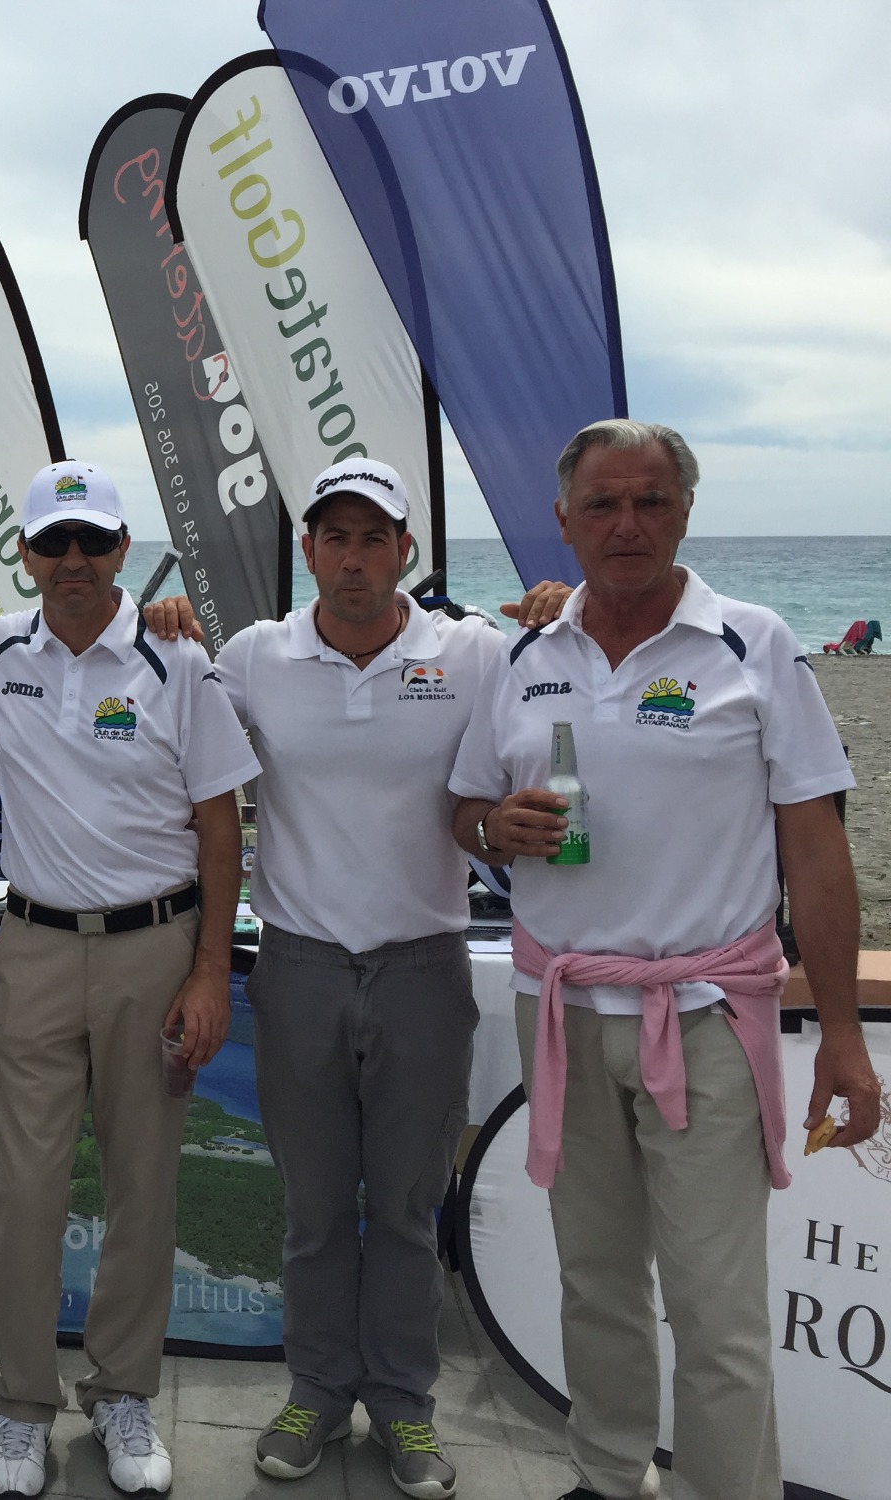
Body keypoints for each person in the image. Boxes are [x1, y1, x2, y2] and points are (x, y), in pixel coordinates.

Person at [448, 419, 883, 1500]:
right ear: (564, 522)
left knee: (715, 1308)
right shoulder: (525, 657)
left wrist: (840, 1035)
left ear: (685, 513)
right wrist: (492, 827)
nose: (627, 524)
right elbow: (462, 808)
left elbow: (817, 854)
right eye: (602, 504)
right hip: (560, 1007)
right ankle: (607, 1476)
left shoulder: (752, 644)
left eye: (650, 501)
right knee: (594, 1281)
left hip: (704, 1016)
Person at [214, 458, 567, 1496]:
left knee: (411, 1210)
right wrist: (165, 623)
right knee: (315, 1211)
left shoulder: (475, 652)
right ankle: (318, 1391)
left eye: (375, 538)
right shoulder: (254, 656)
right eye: (336, 537)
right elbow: (162, 727)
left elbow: (556, 717)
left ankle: (404, 1405)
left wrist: (570, 612)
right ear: (309, 550)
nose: (355, 558)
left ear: (406, 551)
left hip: (422, 966)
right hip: (298, 967)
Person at [0, 462, 261, 1499]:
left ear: (122, 548)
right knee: (23, 1191)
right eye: (53, 542)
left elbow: (219, 825)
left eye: (91, 540)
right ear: (26, 554)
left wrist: (210, 970)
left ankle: (122, 1391)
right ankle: (19, 1406)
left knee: (141, 1186)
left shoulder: (180, 661)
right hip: (34, 948)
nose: (73, 560)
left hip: (154, 950)